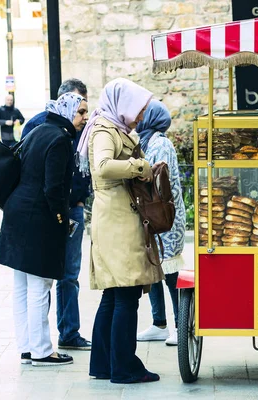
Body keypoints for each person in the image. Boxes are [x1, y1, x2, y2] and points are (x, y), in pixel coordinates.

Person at [78, 78, 163, 384]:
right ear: (123, 104)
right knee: (125, 295)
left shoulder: (114, 128)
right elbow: (102, 166)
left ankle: (103, 364)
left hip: (115, 218)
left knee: (114, 296)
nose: (141, 116)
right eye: (138, 109)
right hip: (116, 221)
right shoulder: (104, 130)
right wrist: (139, 166)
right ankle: (125, 367)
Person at [0, 92, 89, 366]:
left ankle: (27, 348)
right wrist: (62, 219)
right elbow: (54, 187)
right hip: (38, 219)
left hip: (17, 215)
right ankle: (42, 351)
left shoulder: (39, 131)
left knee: (22, 285)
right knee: (40, 285)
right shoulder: (60, 139)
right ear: (68, 110)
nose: (84, 117)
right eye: (81, 111)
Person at [22, 79, 92, 351]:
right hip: (49, 209)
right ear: (61, 100)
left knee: (70, 274)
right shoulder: (40, 124)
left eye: (84, 106)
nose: (82, 115)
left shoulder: (82, 127)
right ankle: (40, 341)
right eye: (77, 106)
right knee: (43, 278)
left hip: (73, 205)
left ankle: (69, 332)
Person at [136, 100, 185, 346]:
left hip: (166, 217)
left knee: (171, 271)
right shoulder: (147, 141)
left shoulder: (161, 143)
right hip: (152, 216)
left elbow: (158, 177)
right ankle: (159, 323)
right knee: (154, 268)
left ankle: (179, 325)